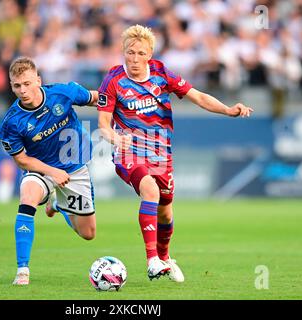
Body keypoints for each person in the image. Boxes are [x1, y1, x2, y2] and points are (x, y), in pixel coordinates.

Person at [97, 25, 253, 282]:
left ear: (149, 54)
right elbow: (103, 124)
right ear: (122, 51)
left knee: (165, 211)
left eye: (140, 53)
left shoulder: (160, 73)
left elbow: (198, 97)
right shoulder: (112, 80)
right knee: (150, 191)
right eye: (129, 53)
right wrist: (115, 137)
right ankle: (152, 262)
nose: (134, 59)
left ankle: (165, 256)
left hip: (160, 153)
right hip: (129, 150)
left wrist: (228, 109)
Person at [0, 57, 99, 285]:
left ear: (38, 80)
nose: (22, 90)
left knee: (88, 233)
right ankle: (22, 270)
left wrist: (119, 111)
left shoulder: (63, 93)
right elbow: (22, 160)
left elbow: (96, 98)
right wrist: (52, 172)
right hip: (41, 170)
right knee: (28, 197)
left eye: (27, 83)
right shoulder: (11, 122)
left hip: (74, 166)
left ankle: (56, 204)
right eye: (16, 86)